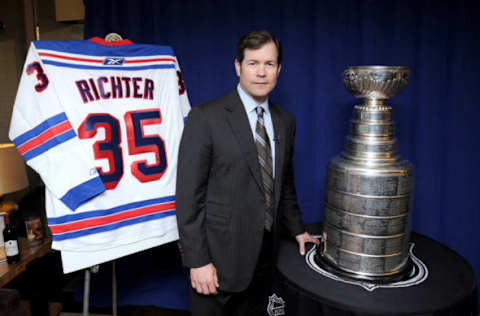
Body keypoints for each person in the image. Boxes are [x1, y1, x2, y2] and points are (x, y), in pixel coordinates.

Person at [176, 30, 319, 316]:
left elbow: (283, 182)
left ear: (279, 69)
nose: (261, 72)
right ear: (238, 66)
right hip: (217, 262)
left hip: (266, 259)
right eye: (253, 63)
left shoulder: (285, 122)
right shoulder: (205, 118)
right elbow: (188, 196)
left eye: (269, 64)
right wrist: (198, 261)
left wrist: (298, 230)